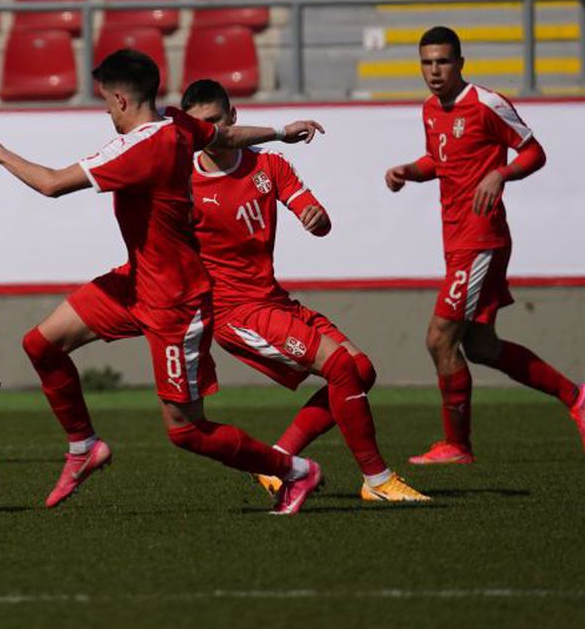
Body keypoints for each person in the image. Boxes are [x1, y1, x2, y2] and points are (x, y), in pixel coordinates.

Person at [0, 49, 325, 514]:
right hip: (135, 281)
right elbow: (227, 133)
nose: (106, 112)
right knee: (42, 344)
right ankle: (83, 447)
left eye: (104, 102)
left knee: (186, 432)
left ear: (118, 99)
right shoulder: (176, 126)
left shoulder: (139, 147)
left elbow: (52, 184)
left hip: (175, 303)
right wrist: (281, 132)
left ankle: (295, 471)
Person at [181, 79, 428, 501]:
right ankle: (378, 480)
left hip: (273, 300)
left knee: (361, 369)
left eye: (217, 121)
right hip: (234, 313)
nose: (212, 133)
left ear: (234, 117)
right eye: (200, 125)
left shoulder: (269, 166)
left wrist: (317, 219)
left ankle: (276, 462)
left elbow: (315, 214)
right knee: (340, 368)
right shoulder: (182, 185)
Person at [383, 26, 585, 465]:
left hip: (480, 239)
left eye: (442, 61)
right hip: (457, 239)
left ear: (460, 63)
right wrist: (410, 169)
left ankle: (457, 446)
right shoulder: (429, 109)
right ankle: (577, 397)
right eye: (427, 63)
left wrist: (500, 174)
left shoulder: (487, 104)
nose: (434, 71)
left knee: (439, 339)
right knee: (480, 346)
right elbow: (442, 161)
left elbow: (533, 152)